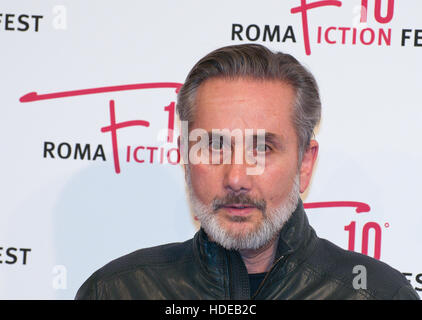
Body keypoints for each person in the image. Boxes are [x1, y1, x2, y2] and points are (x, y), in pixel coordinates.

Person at [75, 44, 419, 300]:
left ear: (305, 163)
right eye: (214, 146)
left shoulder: (378, 295)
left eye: (262, 149)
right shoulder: (117, 292)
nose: (236, 178)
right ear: (185, 159)